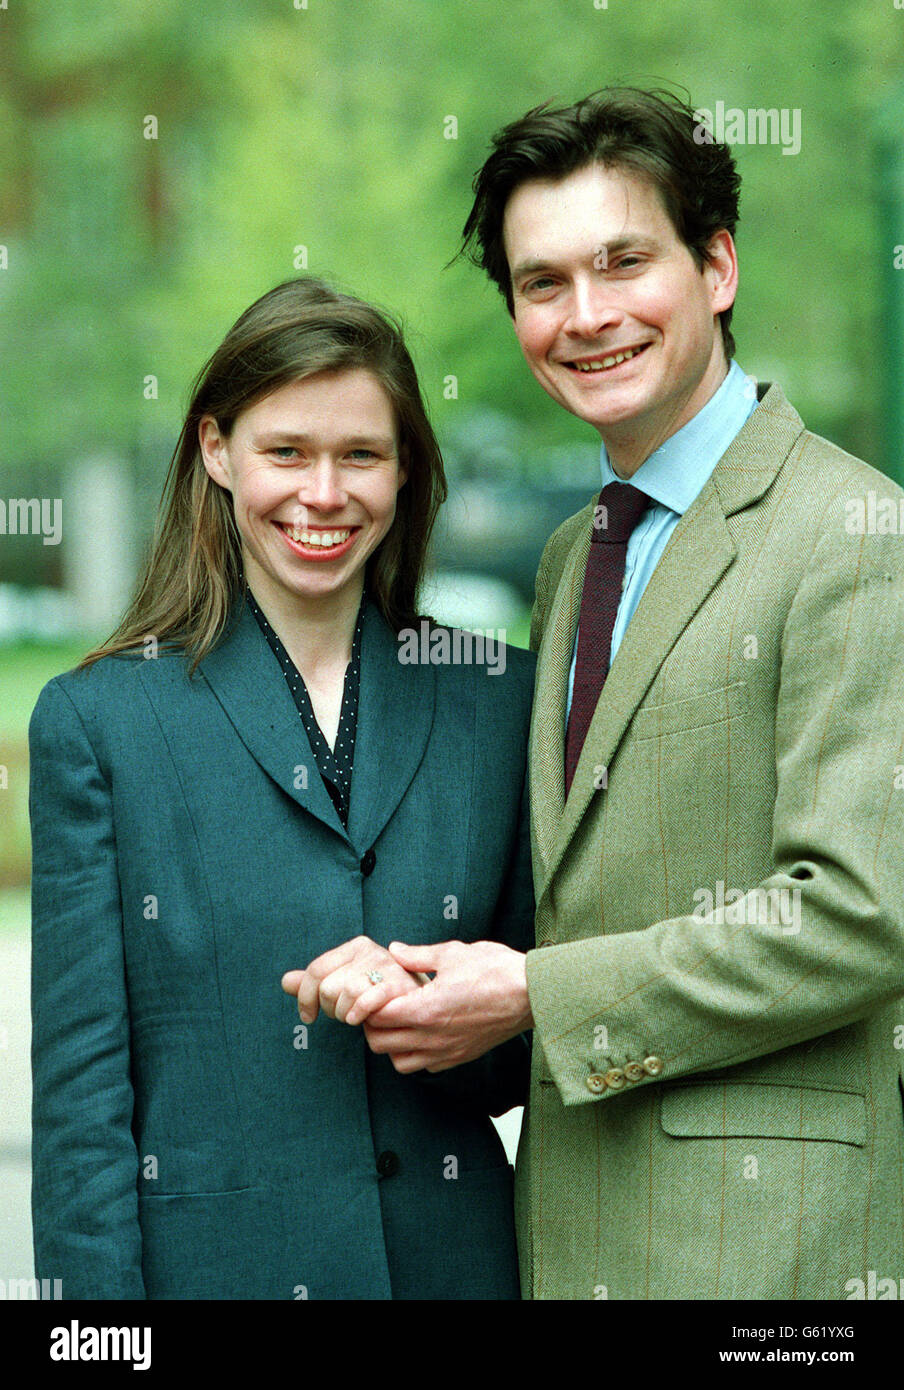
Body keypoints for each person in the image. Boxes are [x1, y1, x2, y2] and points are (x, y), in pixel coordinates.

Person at [313, 87, 904, 1300]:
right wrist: (425, 975)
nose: (585, 318)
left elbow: (859, 913)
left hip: (770, 1256)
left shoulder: (855, 533)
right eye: (540, 283)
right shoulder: (574, 551)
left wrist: (535, 991)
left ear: (717, 267)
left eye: (623, 263)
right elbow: (592, 881)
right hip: (574, 1235)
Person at [29, 275, 535, 1300]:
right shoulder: (100, 723)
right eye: (286, 452)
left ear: (403, 473)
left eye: (361, 454)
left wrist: (439, 1010)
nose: (323, 492)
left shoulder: (499, 699)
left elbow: (535, 1049)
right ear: (217, 451)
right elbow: (83, 1104)